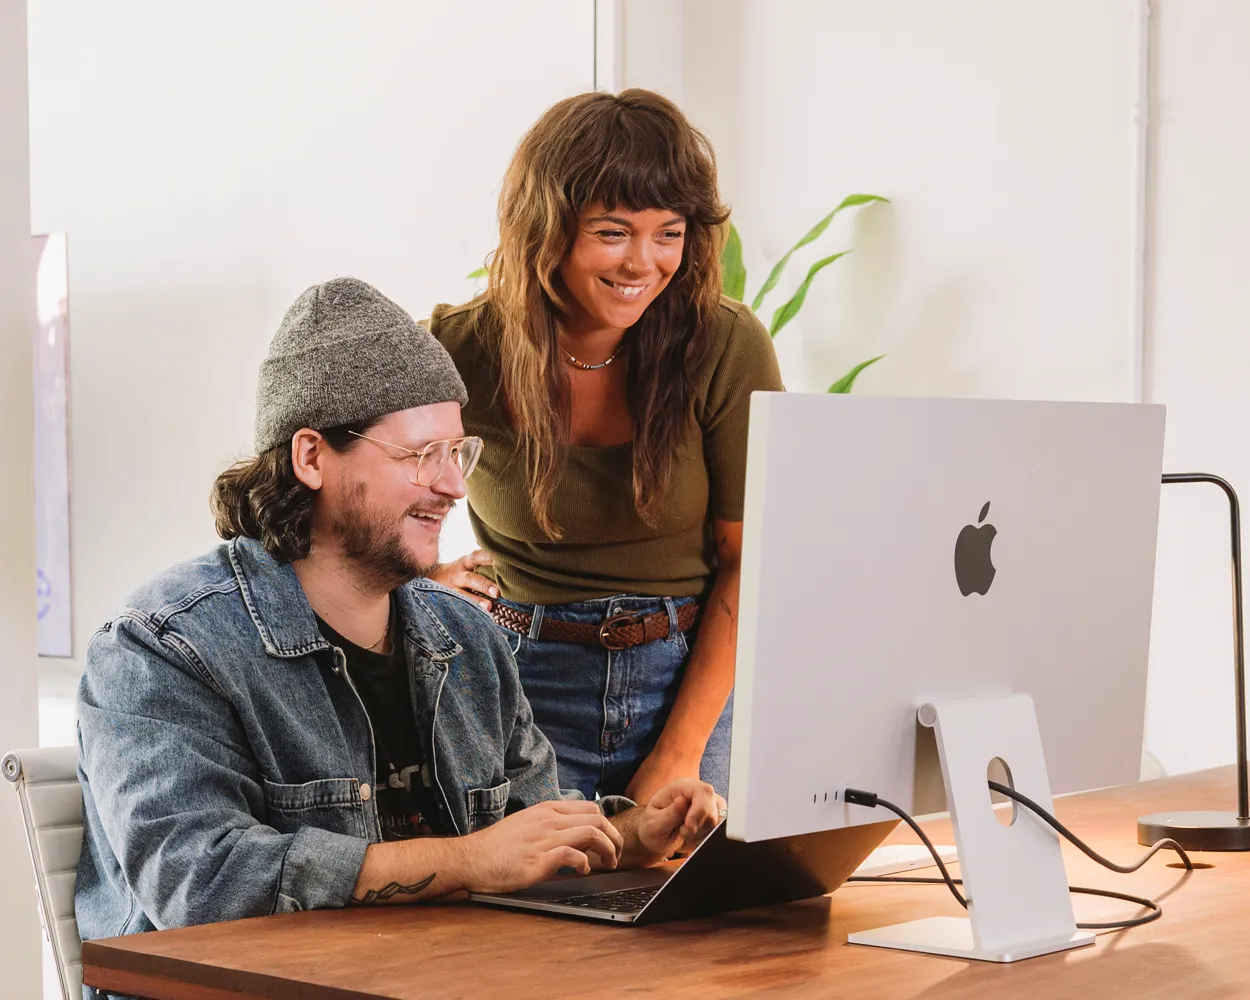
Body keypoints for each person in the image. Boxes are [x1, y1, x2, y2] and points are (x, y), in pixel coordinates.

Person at [74, 278, 721, 963]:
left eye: (457, 452)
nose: (454, 486)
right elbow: (201, 882)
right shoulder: (161, 649)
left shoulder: (468, 638)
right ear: (311, 457)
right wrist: (469, 861)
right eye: (421, 456)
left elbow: (529, 833)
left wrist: (630, 838)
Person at [428, 89, 783, 804]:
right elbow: (348, 499)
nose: (643, 262)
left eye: (669, 233)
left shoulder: (725, 344)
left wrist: (679, 755)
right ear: (546, 228)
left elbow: (752, 564)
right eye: (613, 232)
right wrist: (418, 582)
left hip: (692, 684)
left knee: (693, 879)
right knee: (528, 880)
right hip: (519, 681)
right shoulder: (456, 350)